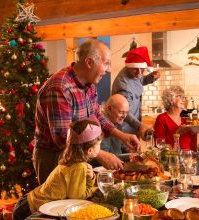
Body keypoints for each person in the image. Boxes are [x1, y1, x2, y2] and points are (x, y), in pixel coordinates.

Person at [33, 39, 140, 184]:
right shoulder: (59, 88)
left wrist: (122, 136)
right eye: (106, 63)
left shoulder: (89, 84)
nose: (108, 69)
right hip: (55, 158)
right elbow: (63, 138)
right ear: (89, 63)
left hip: (79, 155)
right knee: (58, 204)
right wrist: (100, 154)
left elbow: (97, 115)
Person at [13, 119, 102, 220]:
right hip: (29, 210)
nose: (100, 146)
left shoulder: (72, 162)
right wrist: (94, 187)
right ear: (90, 150)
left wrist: (90, 177)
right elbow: (78, 198)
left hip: (27, 202)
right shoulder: (79, 167)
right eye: (99, 144)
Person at [111, 46, 160, 136]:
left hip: (133, 129)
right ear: (128, 67)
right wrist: (140, 126)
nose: (139, 72)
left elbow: (140, 80)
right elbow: (124, 113)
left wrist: (152, 77)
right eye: (135, 69)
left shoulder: (133, 72)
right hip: (124, 131)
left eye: (142, 69)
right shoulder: (124, 86)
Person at [153, 85, 192, 150]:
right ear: (170, 99)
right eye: (179, 96)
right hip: (170, 158)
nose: (183, 99)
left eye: (183, 96)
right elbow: (159, 145)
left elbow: (191, 144)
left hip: (186, 158)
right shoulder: (161, 118)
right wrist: (177, 133)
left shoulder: (185, 120)